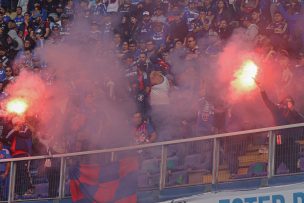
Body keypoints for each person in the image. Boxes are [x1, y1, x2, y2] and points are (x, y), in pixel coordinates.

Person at [256, 81, 304, 173]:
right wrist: (262, 89)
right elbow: (267, 101)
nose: (288, 104)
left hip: (290, 142)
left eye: (290, 102)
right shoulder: (277, 110)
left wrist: (293, 111)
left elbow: (302, 121)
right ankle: (271, 178)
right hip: (279, 141)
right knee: (274, 165)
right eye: (286, 102)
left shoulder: (294, 114)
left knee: (293, 166)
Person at [4, 117, 33, 196]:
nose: (18, 124)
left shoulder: (25, 128)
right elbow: (7, 138)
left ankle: (29, 188)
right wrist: (14, 130)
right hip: (14, 155)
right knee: (16, 173)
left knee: (24, 171)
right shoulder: (13, 131)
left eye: (18, 122)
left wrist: (18, 131)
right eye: (16, 123)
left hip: (23, 154)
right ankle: (17, 192)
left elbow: (27, 134)